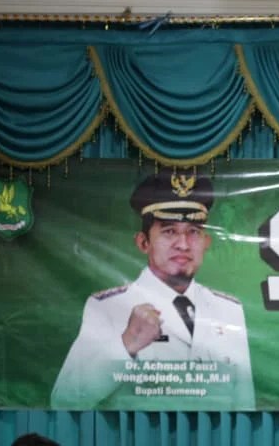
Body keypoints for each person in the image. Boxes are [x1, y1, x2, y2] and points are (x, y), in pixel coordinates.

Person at [50, 170, 255, 409]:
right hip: (142, 441)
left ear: (206, 242)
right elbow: (65, 399)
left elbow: (244, 404)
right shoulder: (109, 307)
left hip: (213, 442)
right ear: (143, 242)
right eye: (169, 231)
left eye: (193, 232)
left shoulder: (228, 309)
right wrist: (126, 344)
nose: (183, 244)